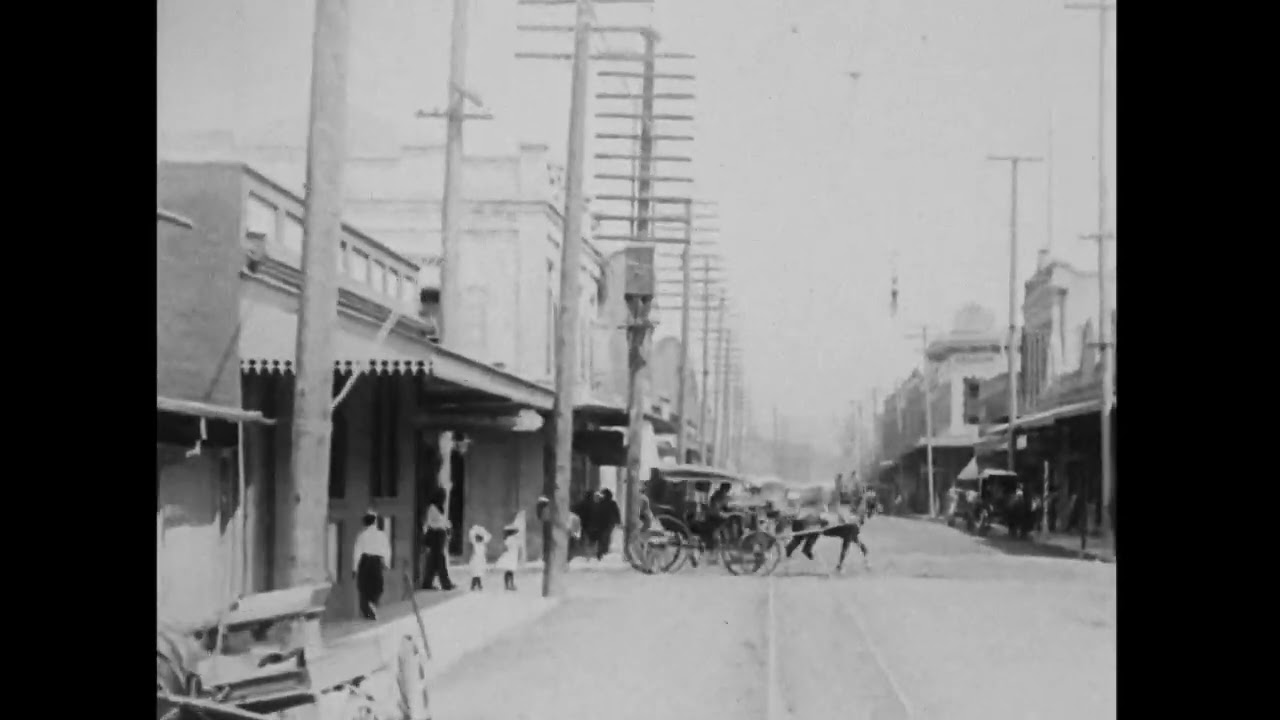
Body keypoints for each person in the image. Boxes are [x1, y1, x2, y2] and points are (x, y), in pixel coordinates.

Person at [352, 511, 391, 620]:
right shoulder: (381, 535)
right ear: (374, 522)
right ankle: (372, 605)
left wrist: (354, 568)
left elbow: (357, 552)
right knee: (377, 586)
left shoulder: (362, 535)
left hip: (365, 561)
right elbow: (387, 550)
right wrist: (386, 563)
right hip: (377, 562)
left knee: (364, 587)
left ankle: (368, 610)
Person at [421, 489, 455, 591]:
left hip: (440, 534)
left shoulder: (440, 508)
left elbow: (443, 521)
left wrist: (447, 526)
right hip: (435, 534)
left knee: (433, 560)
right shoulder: (432, 508)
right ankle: (446, 584)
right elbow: (434, 523)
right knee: (439, 559)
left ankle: (427, 583)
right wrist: (445, 525)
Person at [496, 514, 525, 591]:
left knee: (509, 571)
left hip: (511, 556)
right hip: (511, 556)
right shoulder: (512, 539)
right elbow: (517, 545)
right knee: (510, 571)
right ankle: (509, 585)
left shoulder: (508, 539)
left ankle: (508, 585)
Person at [592, 489, 622, 560]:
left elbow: (596, 513)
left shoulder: (600, 503)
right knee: (606, 537)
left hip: (602, 523)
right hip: (609, 524)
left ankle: (601, 552)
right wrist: (618, 521)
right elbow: (616, 513)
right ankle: (603, 550)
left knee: (601, 537)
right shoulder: (612, 503)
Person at [571, 490, 597, 559]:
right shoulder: (594, 505)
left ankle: (582, 551)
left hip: (582, 523)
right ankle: (589, 552)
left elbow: (573, 509)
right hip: (591, 525)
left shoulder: (581, 504)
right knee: (590, 539)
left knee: (582, 538)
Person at [467, 525, 492, 591]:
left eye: (480, 538)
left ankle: (477, 585)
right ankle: (476, 585)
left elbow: (488, 536)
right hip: (475, 561)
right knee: (476, 574)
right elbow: (471, 534)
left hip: (481, 562)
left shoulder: (483, 544)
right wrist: (476, 529)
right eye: (477, 537)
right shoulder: (475, 543)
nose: (478, 539)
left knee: (478, 574)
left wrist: (482, 531)